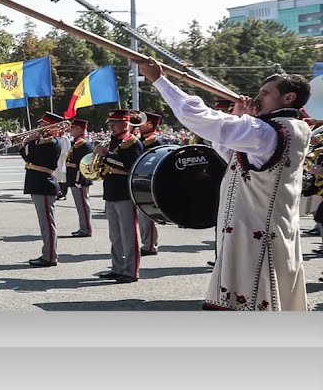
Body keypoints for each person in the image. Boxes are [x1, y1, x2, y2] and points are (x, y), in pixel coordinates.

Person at [137, 57, 310, 310]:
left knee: (251, 298)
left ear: (288, 98)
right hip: (265, 229)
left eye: (266, 93)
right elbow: (232, 157)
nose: (257, 96)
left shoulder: (266, 131)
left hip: (254, 234)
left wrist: (160, 81)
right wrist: (239, 117)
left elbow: (202, 119)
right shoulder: (292, 128)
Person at [96, 110, 145, 284]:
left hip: (124, 193)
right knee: (115, 235)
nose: (111, 126)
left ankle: (131, 270)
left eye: (115, 123)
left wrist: (107, 156)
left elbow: (130, 166)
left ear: (125, 123)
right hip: (110, 191)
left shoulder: (132, 143)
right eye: (110, 123)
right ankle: (117, 268)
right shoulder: (113, 141)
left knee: (128, 234)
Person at [20, 113, 64, 267]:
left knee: (47, 224)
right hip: (38, 183)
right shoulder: (43, 141)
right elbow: (29, 158)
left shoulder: (52, 142)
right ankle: (48, 254)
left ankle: (50, 256)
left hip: (44, 184)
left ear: (50, 127)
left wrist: (30, 142)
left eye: (43, 124)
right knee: (44, 223)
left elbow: (33, 157)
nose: (39, 127)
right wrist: (28, 143)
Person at [135, 112, 163, 256]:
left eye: (142, 122)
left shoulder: (155, 141)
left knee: (147, 214)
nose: (138, 125)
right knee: (141, 215)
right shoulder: (139, 140)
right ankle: (147, 242)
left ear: (150, 124)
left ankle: (150, 244)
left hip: (149, 181)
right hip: (138, 180)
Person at [65, 119, 94, 238]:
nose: (70, 130)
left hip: (80, 179)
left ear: (79, 129)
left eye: (73, 127)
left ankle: (86, 229)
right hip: (74, 178)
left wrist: (79, 180)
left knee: (83, 205)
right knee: (80, 205)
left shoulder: (84, 144)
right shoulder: (77, 143)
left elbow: (84, 164)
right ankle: (83, 227)